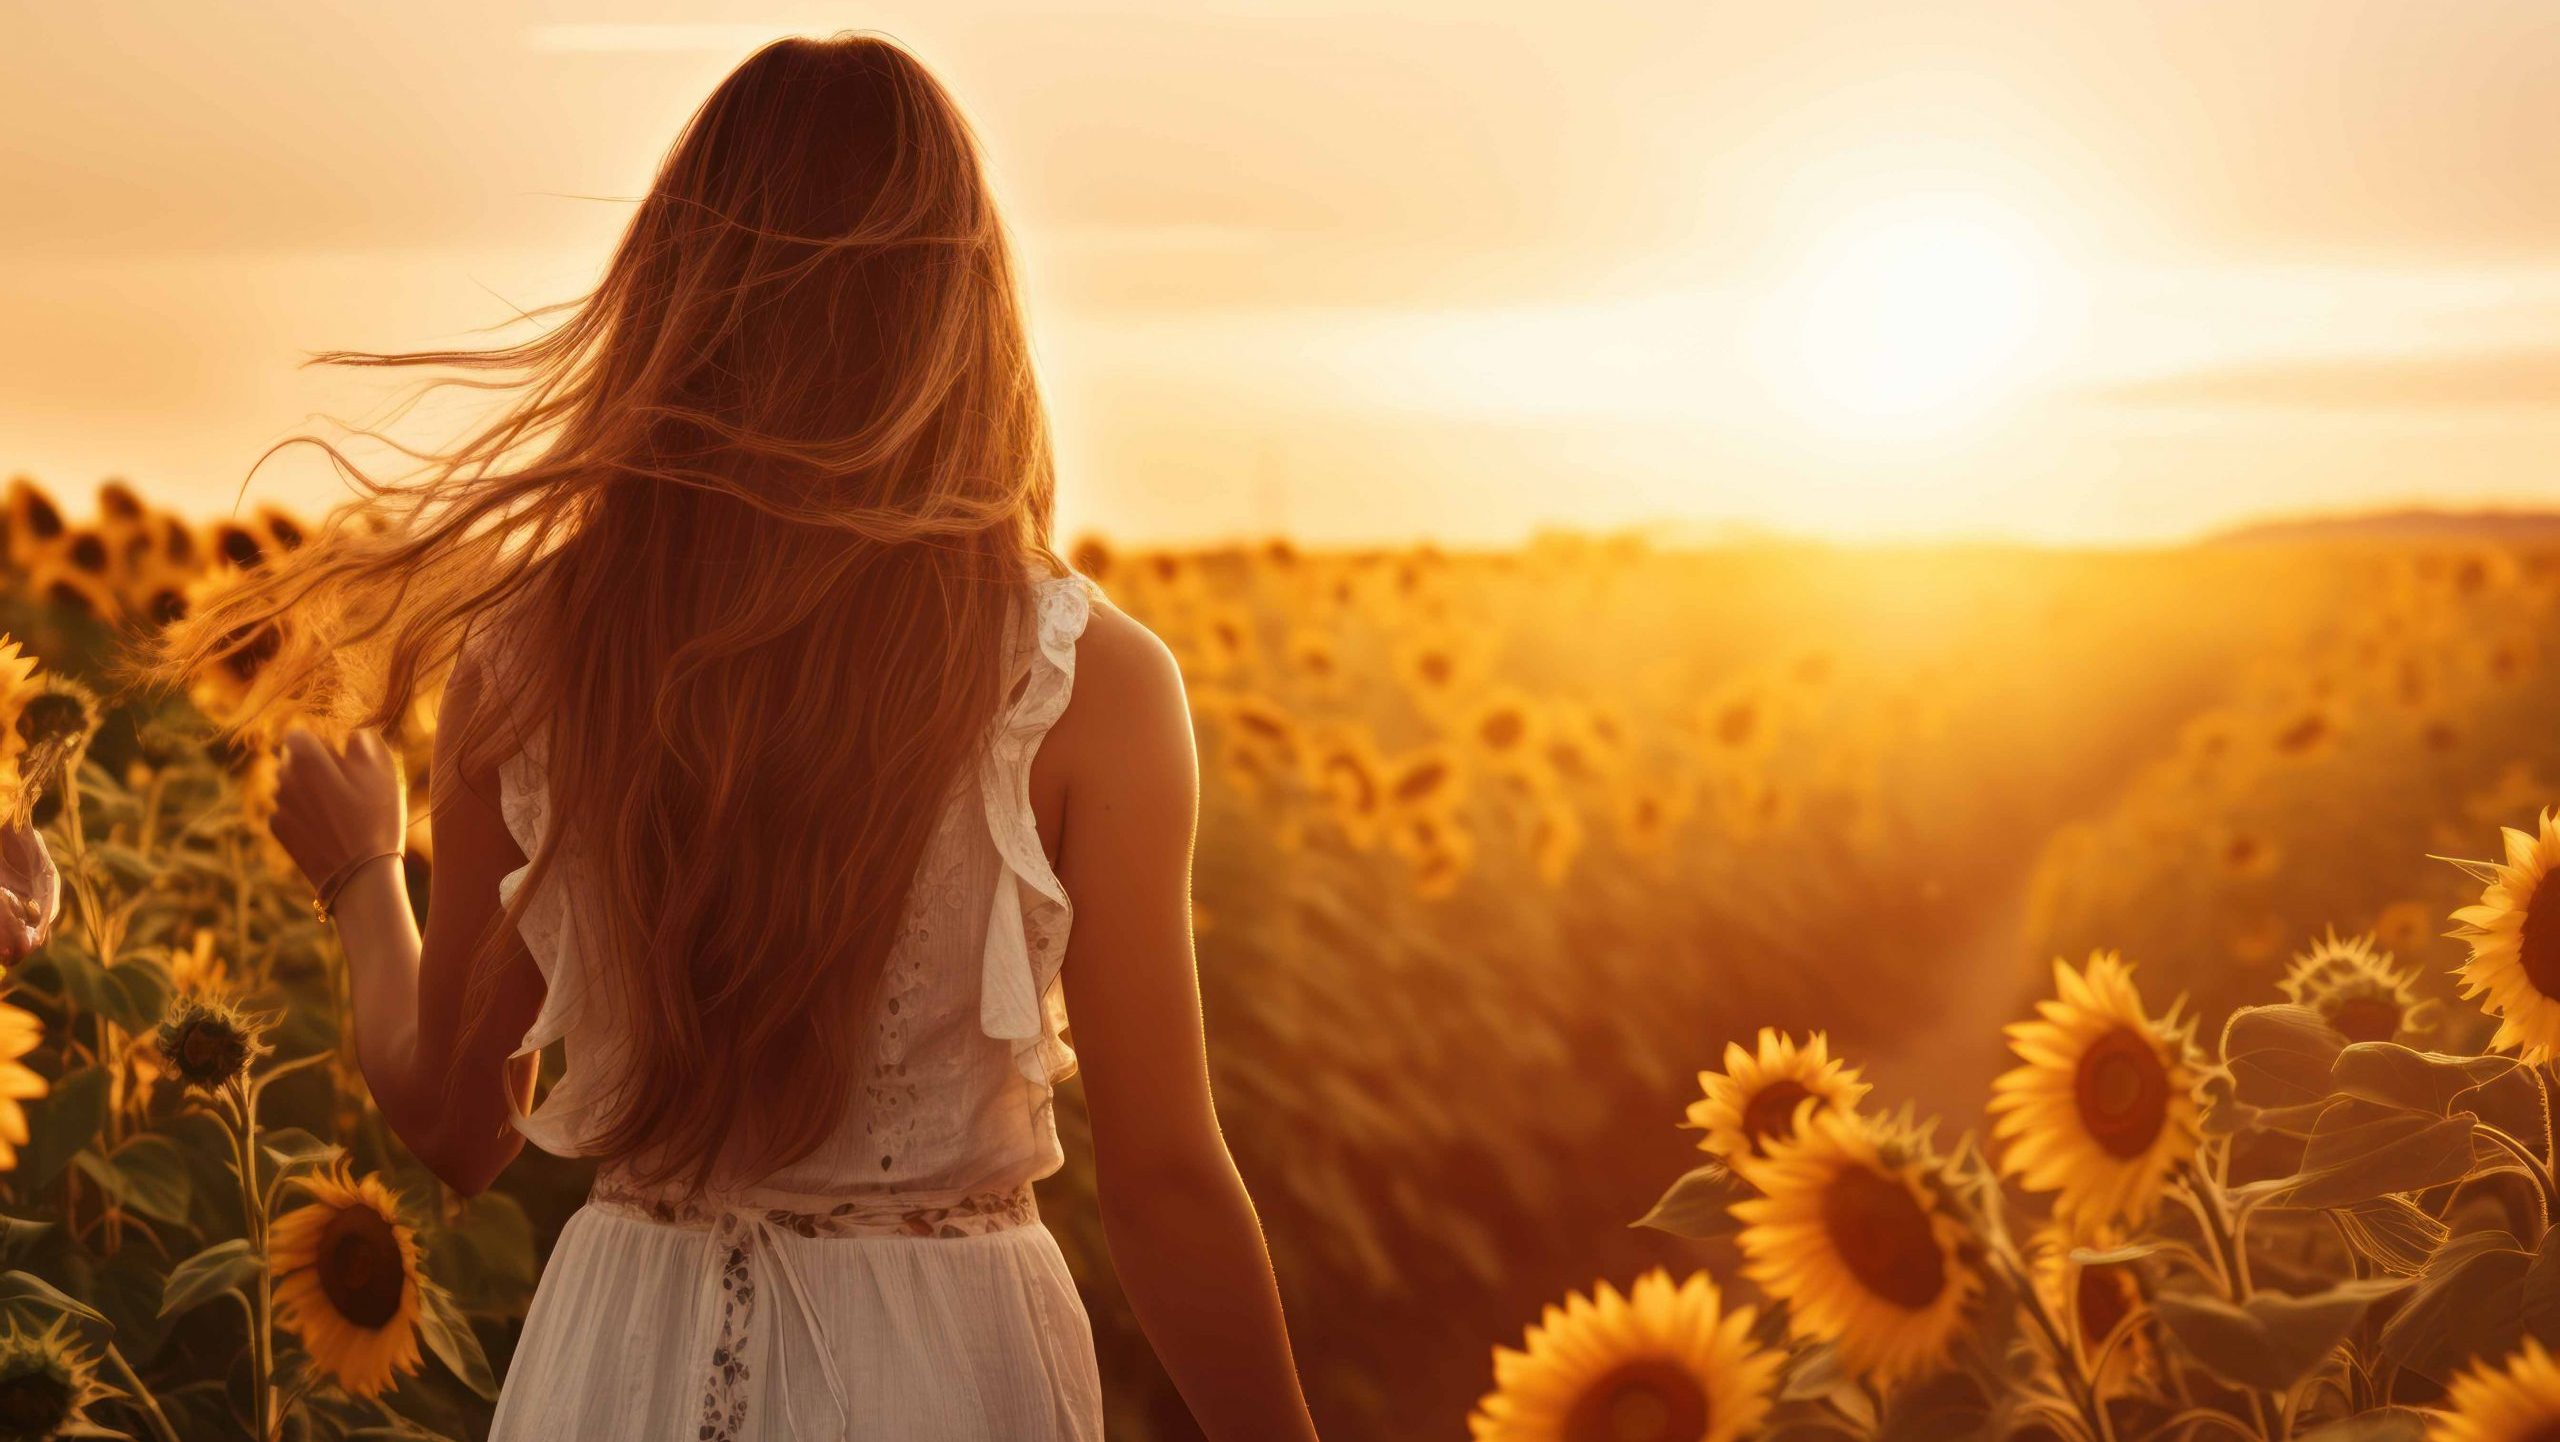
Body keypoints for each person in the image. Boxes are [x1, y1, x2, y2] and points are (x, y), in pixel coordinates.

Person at [148, 32, 1322, 1442]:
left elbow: (463, 1124)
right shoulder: (1090, 683)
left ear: (681, 301)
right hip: (944, 1363)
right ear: (962, 311)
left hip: (623, 1352)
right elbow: (1167, 1178)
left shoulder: (538, 652)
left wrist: (361, 881)